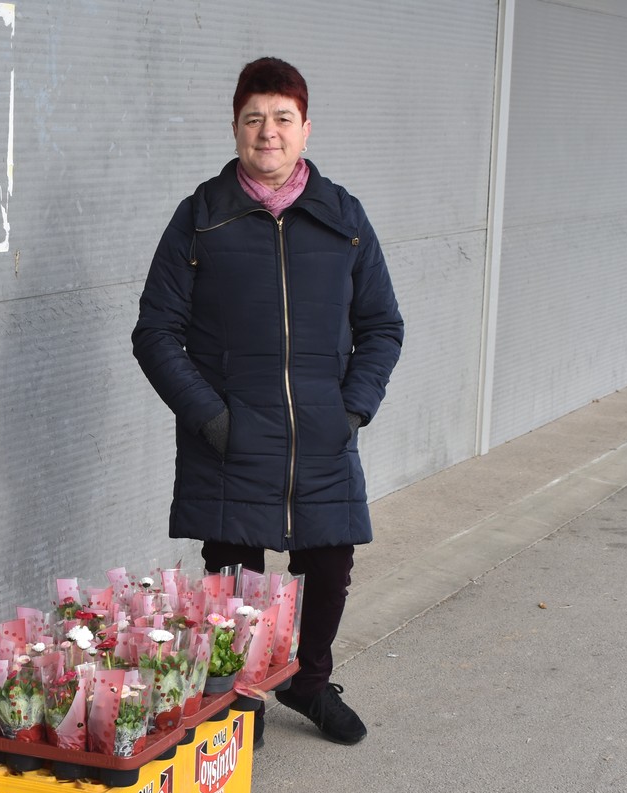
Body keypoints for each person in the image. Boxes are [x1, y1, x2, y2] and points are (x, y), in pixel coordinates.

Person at [133, 57, 404, 748]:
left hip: (321, 433)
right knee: (234, 577)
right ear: (235, 128)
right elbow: (156, 332)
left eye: (283, 118)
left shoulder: (344, 218)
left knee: (330, 566)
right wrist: (209, 417)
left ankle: (309, 682)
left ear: (306, 129)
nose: (268, 132)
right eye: (254, 118)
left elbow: (382, 326)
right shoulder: (201, 219)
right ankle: (240, 694)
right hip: (231, 435)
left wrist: (350, 411)